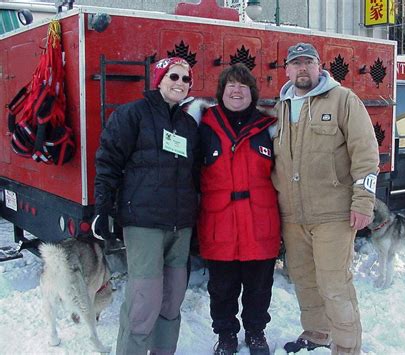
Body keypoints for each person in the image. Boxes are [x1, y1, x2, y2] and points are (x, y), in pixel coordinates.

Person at [271, 43, 379, 355]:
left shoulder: (344, 99)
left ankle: (346, 347)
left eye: (308, 62)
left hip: (333, 214)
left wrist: (363, 201)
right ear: (287, 70)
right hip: (293, 216)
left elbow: (366, 154)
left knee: (335, 286)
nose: (302, 69)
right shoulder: (282, 106)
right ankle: (317, 333)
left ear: (320, 67)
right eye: (296, 63)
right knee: (304, 281)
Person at [93, 57, 200, 355]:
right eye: (173, 77)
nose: (179, 83)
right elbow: (108, 162)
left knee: (172, 299)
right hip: (144, 225)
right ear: (159, 80)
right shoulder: (132, 115)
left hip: (180, 226)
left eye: (185, 79)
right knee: (144, 301)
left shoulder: (189, 125)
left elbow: (195, 175)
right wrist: (102, 207)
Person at [197, 63, 281, 355]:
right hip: (220, 222)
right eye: (231, 85)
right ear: (221, 92)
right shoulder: (203, 125)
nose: (236, 90)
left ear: (252, 94)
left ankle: (256, 332)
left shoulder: (269, 128)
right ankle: (226, 335)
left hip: (260, 221)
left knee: (259, 287)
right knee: (222, 289)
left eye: (243, 86)